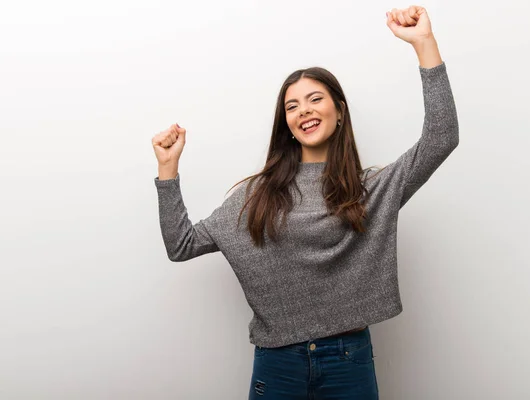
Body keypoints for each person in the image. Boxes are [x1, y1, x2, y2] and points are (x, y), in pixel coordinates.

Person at [151, 5, 458, 399]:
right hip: (278, 364)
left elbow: (442, 137)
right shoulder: (256, 195)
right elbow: (182, 245)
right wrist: (167, 171)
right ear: (288, 126)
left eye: (315, 99)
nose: (304, 111)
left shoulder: (371, 189)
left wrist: (424, 44)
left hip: (348, 358)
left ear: (339, 112)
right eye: (292, 106)